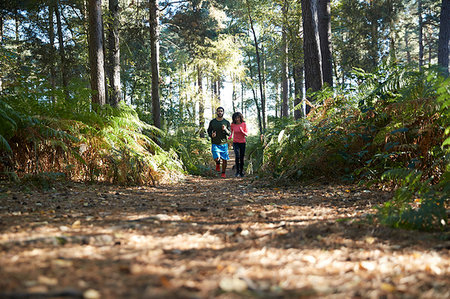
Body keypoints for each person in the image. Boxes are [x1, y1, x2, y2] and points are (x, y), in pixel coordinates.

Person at [207, 107, 231, 178]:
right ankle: (217, 163)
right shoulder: (213, 122)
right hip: (215, 143)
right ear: (216, 112)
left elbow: (229, 133)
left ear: (223, 112)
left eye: (221, 111)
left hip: (224, 143)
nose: (220, 112)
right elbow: (209, 130)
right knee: (217, 158)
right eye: (219, 111)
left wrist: (225, 129)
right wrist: (211, 135)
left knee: (224, 159)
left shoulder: (226, 122)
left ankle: (223, 173)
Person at [229, 112, 248, 177]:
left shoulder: (243, 124)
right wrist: (230, 136)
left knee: (242, 157)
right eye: (235, 118)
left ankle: (241, 172)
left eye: (238, 117)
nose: (237, 119)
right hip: (235, 142)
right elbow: (231, 132)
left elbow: (246, 134)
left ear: (240, 118)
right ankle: (237, 172)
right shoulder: (232, 125)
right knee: (237, 156)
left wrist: (242, 131)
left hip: (242, 142)